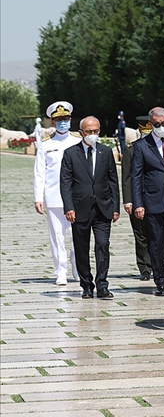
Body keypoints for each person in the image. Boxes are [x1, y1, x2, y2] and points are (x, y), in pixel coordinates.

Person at [60, 116, 120, 300]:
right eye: (89, 132)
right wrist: (68, 207)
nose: (93, 135)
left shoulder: (106, 152)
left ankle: (102, 285)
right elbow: (65, 183)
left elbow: (113, 181)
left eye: (96, 131)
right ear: (81, 133)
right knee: (81, 248)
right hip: (80, 208)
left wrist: (115, 207)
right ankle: (86, 284)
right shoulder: (71, 153)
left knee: (102, 245)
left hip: (103, 208)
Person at [131, 107, 164, 296]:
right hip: (153, 199)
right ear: (150, 124)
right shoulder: (141, 146)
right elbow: (136, 177)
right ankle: (160, 281)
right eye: (157, 124)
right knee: (157, 242)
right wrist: (138, 203)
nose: (161, 127)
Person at [34, 101, 80, 286]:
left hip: (76, 197)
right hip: (54, 197)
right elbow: (39, 172)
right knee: (57, 237)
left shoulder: (77, 140)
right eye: (59, 119)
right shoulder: (46, 144)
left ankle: (78, 267)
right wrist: (38, 197)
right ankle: (60, 271)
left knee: (77, 236)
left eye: (66, 118)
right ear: (53, 122)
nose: (63, 122)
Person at [122, 116, 153, 281]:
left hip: (157, 198)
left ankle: (158, 264)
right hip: (137, 197)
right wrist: (128, 200)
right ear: (140, 131)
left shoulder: (162, 147)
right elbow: (126, 177)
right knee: (141, 235)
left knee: (160, 233)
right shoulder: (131, 149)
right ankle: (145, 268)